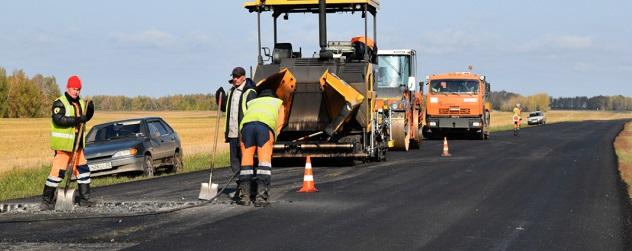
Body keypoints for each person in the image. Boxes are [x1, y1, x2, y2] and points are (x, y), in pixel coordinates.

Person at [40, 75, 95, 210]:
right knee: (57, 173)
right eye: (74, 89)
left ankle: (84, 199)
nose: (76, 92)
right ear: (68, 87)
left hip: (78, 147)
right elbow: (59, 119)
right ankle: (46, 201)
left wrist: (90, 110)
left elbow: (85, 117)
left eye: (78, 89)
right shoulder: (59, 103)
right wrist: (78, 119)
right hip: (63, 147)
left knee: (83, 172)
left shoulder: (81, 103)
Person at [237, 88, 285, 207]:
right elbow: (280, 123)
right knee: (264, 164)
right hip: (264, 129)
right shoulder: (278, 103)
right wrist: (273, 138)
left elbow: (244, 116)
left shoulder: (252, 102)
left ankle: (244, 196)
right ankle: (261, 198)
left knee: (246, 163)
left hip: (246, 129)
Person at [215, 67, 257, 200]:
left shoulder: (250, 92)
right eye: (234, 76)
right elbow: (225, 109)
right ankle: (241, 189)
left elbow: (253, 112)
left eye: (238, 76)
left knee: (247, 162)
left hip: (244, 134)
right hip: (232, 134)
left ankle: (250, 189)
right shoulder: (231, 91)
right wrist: (219, 98)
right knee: (234, 163)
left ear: (244, 77)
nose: (235, 79)